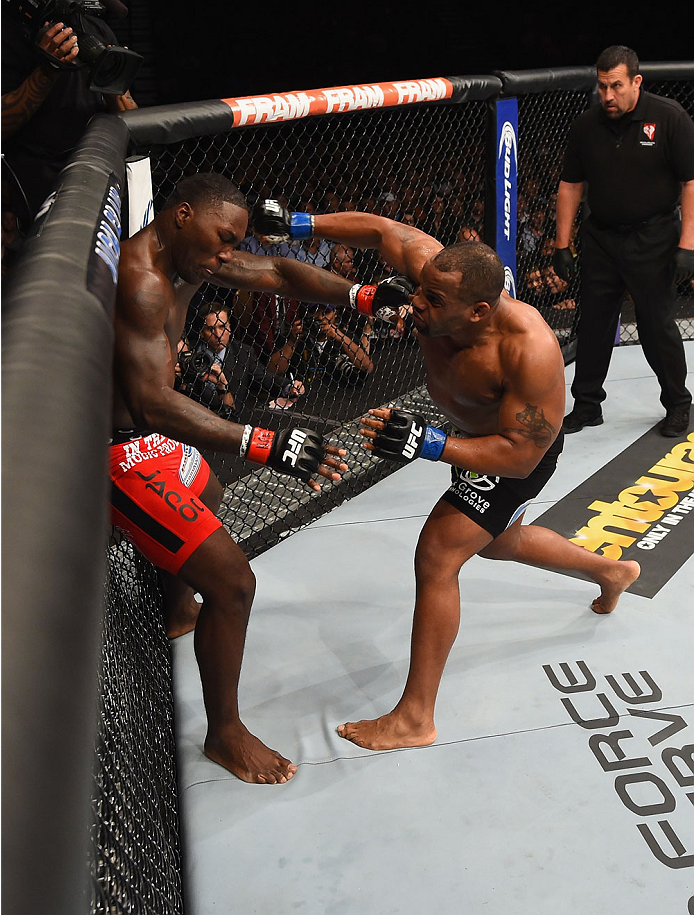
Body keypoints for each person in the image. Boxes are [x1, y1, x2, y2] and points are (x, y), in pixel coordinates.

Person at [252, 200, 642, 752]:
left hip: (512, 454)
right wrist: (299, 225)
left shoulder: (528, 352)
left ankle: (416, 717)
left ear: (479, 312)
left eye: (432, 302)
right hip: (485, 443)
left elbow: (521, 457)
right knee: (500, 542)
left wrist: (429, 444)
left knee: (438, 553)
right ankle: (612, 572)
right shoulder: (438, 274)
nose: (415, 305)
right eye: (421, 291)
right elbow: (383, 229)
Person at [112, 173, 410, 783]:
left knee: (212, 493)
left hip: (148, 437)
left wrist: (360, 297)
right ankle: (224, 733)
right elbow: (151, 404)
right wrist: (264, 441)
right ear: (181, 214)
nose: (228, 254)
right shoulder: (139, 283)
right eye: (223, 238)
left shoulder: (192, 257)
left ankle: (176, 607)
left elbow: (279, 273)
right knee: (235, 584)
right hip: (115, 451)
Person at [552, 45, 694, 437]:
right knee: (594, 322)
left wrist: (689, 242)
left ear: (636, 82)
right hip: (600, 237)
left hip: (653, 236)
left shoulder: (669, 118)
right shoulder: (586, 124)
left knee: (656, 324)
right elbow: (570, 183)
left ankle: (678, 403)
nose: (608, 96)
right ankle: (586, 405)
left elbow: (691, 182)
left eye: (616, 86)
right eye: (601, 87)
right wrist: (561, 243)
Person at [1, 3, 137, 228]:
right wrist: (48, 69)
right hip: (37, 191)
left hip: (98, 178)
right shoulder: (8, 34)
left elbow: (132, 122)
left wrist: (111, 78)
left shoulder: (96, 28)